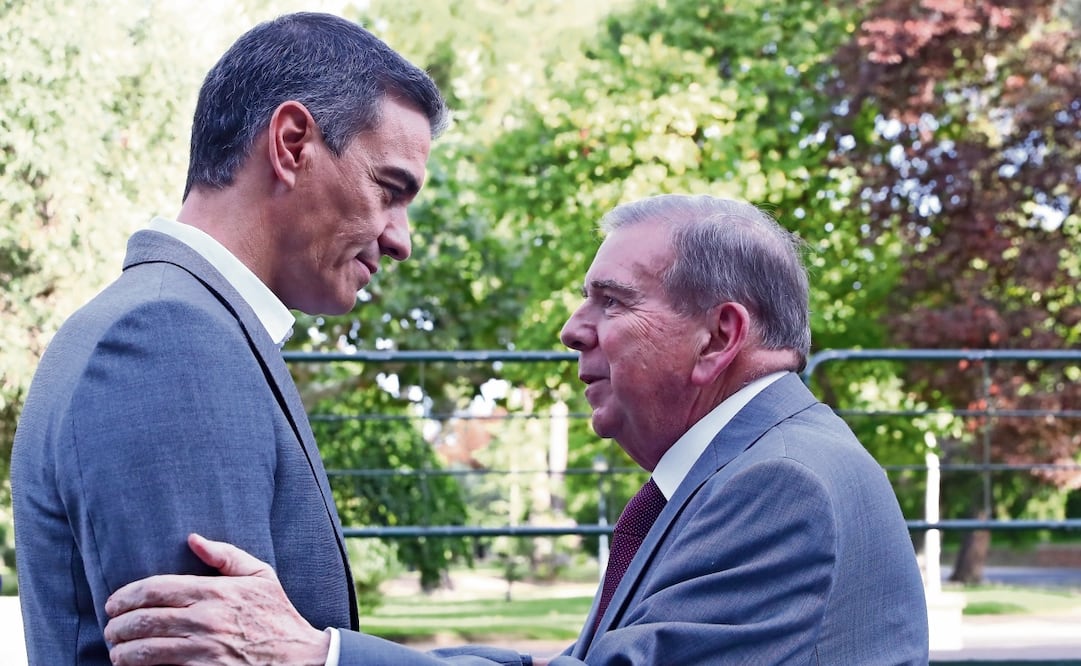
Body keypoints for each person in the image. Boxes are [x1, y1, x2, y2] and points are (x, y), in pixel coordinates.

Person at [101, 194, 930, 665]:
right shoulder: (763, 463)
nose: (572, 329)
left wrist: (315, 660)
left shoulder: (779, 485)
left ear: (719, 336)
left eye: (611, 301)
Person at [9, 11, 471, 665]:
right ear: (290, 144)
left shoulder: (174, 320)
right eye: (389, 190)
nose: (400, 239)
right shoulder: (171, 341)